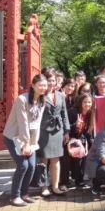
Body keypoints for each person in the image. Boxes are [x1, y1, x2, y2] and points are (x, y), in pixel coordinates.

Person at [3, 74, 47, 206]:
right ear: (33, 85)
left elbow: (37, 124)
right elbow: (23, 124)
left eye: (45, 85)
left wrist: (33, 143)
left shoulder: (42, 101)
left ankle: (24, 193)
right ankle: (14, 196)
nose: (43, 88)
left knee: (32, 166)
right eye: (40, 85)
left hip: (29, 138)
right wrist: (26, 144)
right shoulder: (22, 100)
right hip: (13, 137)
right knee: (23, 166)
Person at [38, 68, 70, 197]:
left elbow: (64, 114)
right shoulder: (39, 95)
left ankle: (55, 186)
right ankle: (44, 186)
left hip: (57, 130)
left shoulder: (60, 95)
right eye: (49, 80)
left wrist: (66, 130)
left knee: (56, 159)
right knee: (44, 160)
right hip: (44, 130)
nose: (51, 83)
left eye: (53, 80)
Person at [67, 93, 94, 187]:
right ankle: (76, 179)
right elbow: (66, 128)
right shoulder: (73, 112)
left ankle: (79, 179)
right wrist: (76, 125)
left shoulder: (90, 113)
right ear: (80, 102)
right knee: (76, 159)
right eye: (85, 102)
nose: (87, 104)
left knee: (83, 157)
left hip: (81, 139)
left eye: (89, 102)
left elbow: (87, 131)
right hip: (70, 138)